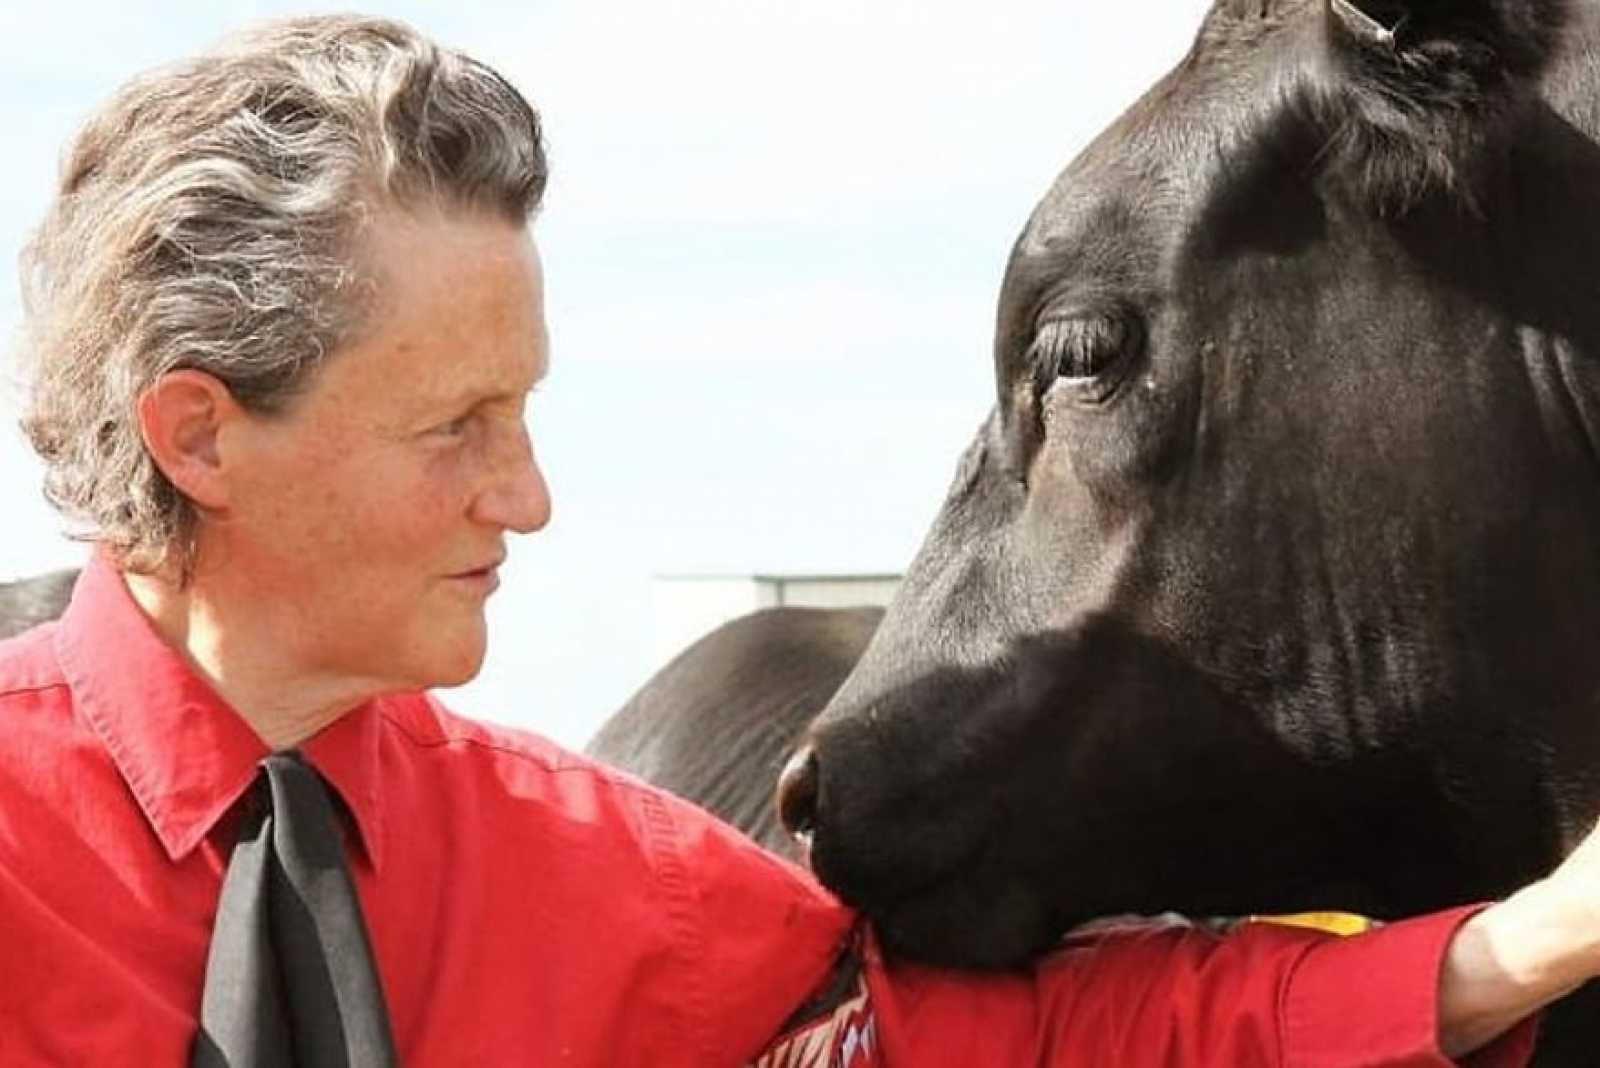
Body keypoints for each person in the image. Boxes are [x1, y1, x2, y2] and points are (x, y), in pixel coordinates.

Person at [0, 14, 1594, 1067]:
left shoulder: (594, 874)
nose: (529, 497)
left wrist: (1521, 946)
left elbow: (1036, 1038)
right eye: (453, 430)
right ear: (200, 434)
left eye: (524, 412)